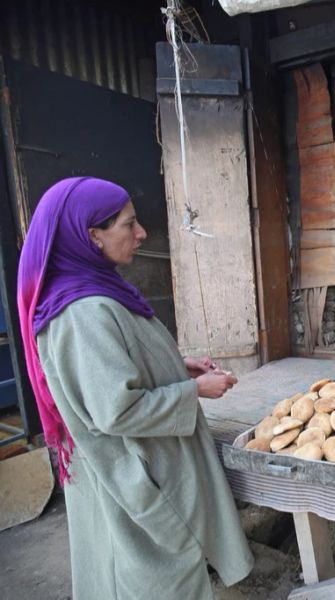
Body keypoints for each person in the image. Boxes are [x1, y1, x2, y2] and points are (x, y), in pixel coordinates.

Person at [17, 177, 253, 599]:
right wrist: (194, 391)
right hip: (128, 471)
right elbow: (115, 409)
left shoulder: (96, 289)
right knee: (155, 575)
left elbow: (109, 367)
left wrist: (177, 366)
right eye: (129, 224)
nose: (141, 233)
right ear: (92, 236)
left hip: (139, 464)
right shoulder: (81, 312)